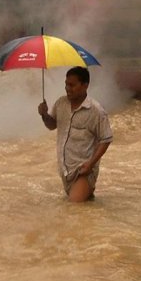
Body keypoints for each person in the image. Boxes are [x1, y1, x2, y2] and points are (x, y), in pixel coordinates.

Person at [37, 66, 113, 202]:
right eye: (66, 84)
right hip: (65, 171)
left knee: (73, 209)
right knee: (79, 212)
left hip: (83, 171)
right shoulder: (61, 103)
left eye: (72, 85)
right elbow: (52, 125)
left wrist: (90, 164)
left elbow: (106, 139)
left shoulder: (96, 110)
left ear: (85, 86)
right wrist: (44, 115)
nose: (67, 88)